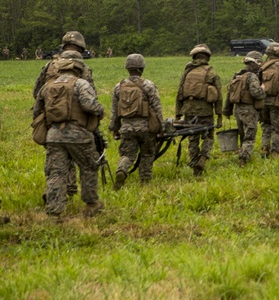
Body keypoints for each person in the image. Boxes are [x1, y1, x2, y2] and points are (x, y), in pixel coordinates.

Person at [32, 55, 105, 219]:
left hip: (53, 136)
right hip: (78, 135)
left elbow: (37, 112)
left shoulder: (47, 86)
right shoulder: (80, 83)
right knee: (89, 166)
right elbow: (89, 104)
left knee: (56, 172)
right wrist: (100, 110)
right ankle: (91, 203)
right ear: (77, 69)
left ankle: (54, 212)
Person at [33, 32, 95, 199]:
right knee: (79, 155)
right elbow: (90, 96)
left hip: (50, 120)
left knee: (55, 161)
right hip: (77, 122)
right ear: (81, 48)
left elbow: (37, 92)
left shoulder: (48, 66)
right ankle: (71, 188)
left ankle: (58, 190)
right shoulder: (82, 68)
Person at [110, 54, 163, 188]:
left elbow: (115, 112)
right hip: (146, 128)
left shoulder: (119, 87)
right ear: (142, 68)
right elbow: (157, 108)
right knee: (147, 154)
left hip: (127, 128)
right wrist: (161, 127)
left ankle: (122, 169)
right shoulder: (149, 85)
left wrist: (115, 128)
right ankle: (144, 182)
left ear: (127, 68)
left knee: (127, 155)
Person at [175, 44, 224, 176]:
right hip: (206, 111)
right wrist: (219, 115)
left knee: (192, 138)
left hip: (189, 110)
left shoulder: (187, 72)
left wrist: (178, 114)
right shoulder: (211, 72)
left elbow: (179, 93)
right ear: (207, 57)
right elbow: (218, 96)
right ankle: (203, 158)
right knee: (208, 137)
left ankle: (193, 163)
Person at [224, 55, 266, 166]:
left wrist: (227, 111)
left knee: (242, 134)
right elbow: (255, 93)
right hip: (249, 110)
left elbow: (229, 94)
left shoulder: (237, 75)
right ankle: (243, 159)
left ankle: (242, 152)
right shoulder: (251, 77)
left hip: (238, 109)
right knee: (250, 136)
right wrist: (262, 90)